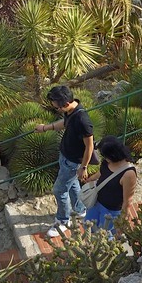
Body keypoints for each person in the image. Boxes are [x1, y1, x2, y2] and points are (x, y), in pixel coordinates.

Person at [37, 84, 93, 240]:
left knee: (59, 190)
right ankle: (80, 209)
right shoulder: (71, 111)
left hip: (73, 161)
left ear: (66, 104)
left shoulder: (82, 120)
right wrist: (46, 128)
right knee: (73, 185)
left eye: (57, 107)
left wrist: (84, 167)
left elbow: (90, 146)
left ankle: (63, 220)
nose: (57, 109)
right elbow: (65, 123)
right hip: (65, 156)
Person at [82, 136, 137, 236]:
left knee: (105, 236)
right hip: (96, 202)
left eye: (105, 156)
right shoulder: (107, 162)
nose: (104, 159)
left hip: (110, 211)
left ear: (113, 155)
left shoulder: (128, 174)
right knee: (88, 227)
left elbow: (127, 201)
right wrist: (91, 179)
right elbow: (102, 172)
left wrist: (122, 222)